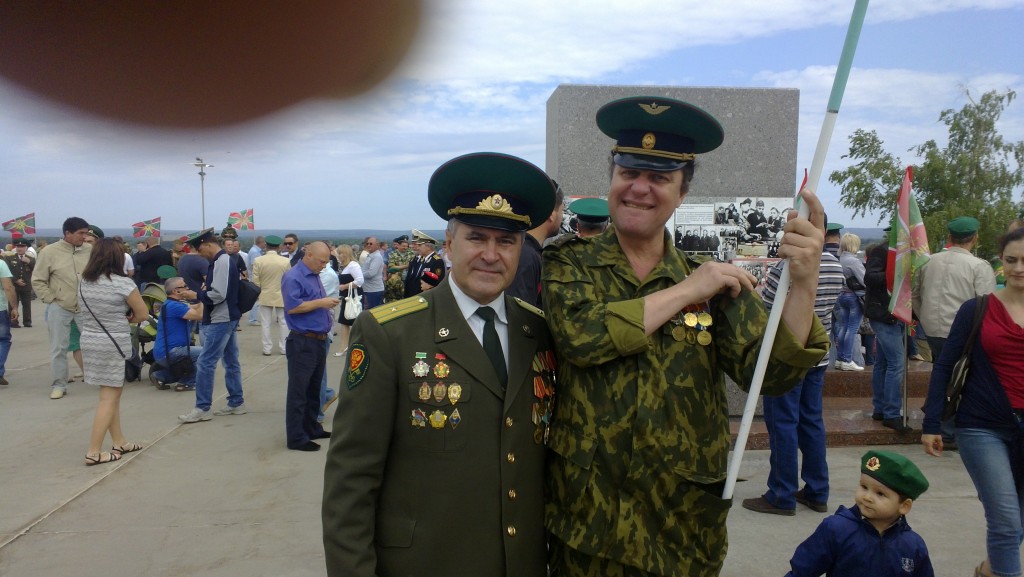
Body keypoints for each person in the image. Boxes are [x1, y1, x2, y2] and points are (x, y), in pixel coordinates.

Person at [541, 95, 829, 576]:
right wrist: (687, 291)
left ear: (682, 194)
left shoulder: (715, 283)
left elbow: (772, 375)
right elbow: (582, 338)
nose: (639, 188)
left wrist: (803, 283)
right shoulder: (568, 261)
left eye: (659, 178)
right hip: (588, 522)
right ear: (611, 180)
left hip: (680, 524)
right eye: (628, 172)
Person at [323, 152, 558, 577]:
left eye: (506, 241)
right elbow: (351, 477)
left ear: (521, 249)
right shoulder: (390, 333)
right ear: (449, 245)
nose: (491, 254)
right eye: (476, 238)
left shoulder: (538, 330)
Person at [922, 226, 1024, 577]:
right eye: (1011, 260)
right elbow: (945, 365)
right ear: (1000, 261)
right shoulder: (976, 309)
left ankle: (990, 569)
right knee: (1006, 521)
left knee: (1017, 521)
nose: (1019, 268)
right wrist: (931, 423)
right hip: (981, 426)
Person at [743, 219, 844, 516]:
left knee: (783, 424)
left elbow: (766, 310)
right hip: (817, 355)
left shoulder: (785, 268)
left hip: (787, 358)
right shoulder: (835, 265)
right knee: (811, 422)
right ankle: (817, 490)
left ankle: (782, 492)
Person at [785, 450, 932, 577]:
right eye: (864, 486)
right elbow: (801, 572)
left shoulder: (913, 545)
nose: (867, 497)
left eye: (880, 493)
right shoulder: (836, 529)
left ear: (904, 506)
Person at [76, 238, 150, 465]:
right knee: (109, 397)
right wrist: (127, 318)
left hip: (90, 340)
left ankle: (119, 441)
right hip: (113, 343)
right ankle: (94, 452)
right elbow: (142, 314)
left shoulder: (84, 282)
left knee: (110, 394)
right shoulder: (123, 284)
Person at [178, 228, 246, 423]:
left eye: (200, 250)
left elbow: (218, 295)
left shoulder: (221, 261)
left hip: (221, 318)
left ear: (208, 245)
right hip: (226, 316)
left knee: (205, 362)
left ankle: (202, 408)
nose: (200, 254)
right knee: (230, 361)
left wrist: (196, 294)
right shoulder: (221, 260)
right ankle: (236, 402)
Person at [913, 216, 996, 364]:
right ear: (975, 238)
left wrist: (925, 318)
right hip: (964, 332)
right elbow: (987, 305)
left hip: (931, 329)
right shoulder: (979, 266)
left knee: (940, 366)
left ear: (949, 237)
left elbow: (914, 295)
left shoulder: (927, 262)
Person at [281, 242, 339, 451]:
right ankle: (296, 437)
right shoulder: (293, 277)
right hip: (303, 341)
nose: (324, 266)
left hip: (318, 340)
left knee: (314, 388)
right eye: (322, 261)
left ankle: (311, 426)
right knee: (299, 391)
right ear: (309, 255)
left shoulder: (314, 274)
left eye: (326, 262)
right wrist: (322, 303)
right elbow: (293, 307)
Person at [32, 216, 92, 399]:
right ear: (67, 233)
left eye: (86, 233)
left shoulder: (90, 250)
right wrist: (51, 299)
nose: (84, 237)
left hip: (86, 307)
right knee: (59, 348)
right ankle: (59, 385)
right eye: (81, 233)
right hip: (60, 307)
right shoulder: (49, 252)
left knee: (94, 344)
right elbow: (38, 280)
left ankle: (100, 378)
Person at [864, 235, 910, 432]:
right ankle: (891, 413)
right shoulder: (882, 251)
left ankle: (881, 409)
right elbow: (869, 278)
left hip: (895, 314)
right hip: (883, 314)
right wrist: (895, 273)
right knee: (896, 364)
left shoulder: (905, 254)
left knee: (883, 363)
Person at [506, 184, 565, 307]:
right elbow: (520, 311)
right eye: (562, 211)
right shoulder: (526, 256)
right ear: (551, 215)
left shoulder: (529, 251)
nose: (562, 217)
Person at [151, 277, 203, 391]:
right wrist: (199, 298)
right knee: (206, 353)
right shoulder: (175, 306)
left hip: (164, 352)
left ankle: (161, 376)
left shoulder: (169, 303)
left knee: (186, 362)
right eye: (184, 286)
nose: (187, 288)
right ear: (176, 291)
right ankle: (186, 383)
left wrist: (201, 298)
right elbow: (200, 315)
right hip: (172, 352)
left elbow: (193, 308)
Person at [251, 235, 290, 356]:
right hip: (281, 295)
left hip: (265, 294)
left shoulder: (258, 261)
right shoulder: (285, 261)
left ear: (266, 246)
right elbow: (289, 280)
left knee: (265, 323)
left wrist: (258, 293)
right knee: (283, 323)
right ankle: (284, 348)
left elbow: (255, 281)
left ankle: (267, 348)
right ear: (278, 247)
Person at [836, 233, 866, 371]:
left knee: (843, 327)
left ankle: (840, 358)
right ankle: (847, 359)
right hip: (854, 297)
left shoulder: (839, 259)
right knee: (852, 329)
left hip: (842, 295)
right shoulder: (854, 261)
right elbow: (865, 280)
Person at [333, 244, 363, 357]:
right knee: (345, 322)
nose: (338, 256)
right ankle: (345, 346)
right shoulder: (347, 266)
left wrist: (344, 287)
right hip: (348, 297)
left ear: (345, 254)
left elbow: (360, 281)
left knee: (351, 322)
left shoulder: (353, 265)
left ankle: (349, 346)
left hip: (353, 298)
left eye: (340, 253)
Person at [402, 230, 445, 298]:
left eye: (420, 245)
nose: (418, 247)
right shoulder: (423, 260)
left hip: (426, 297)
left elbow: (436, 283)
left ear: (428, 247)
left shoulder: (436, 261)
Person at [4, 238, 35, 327]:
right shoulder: (9, 258)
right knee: (13, 304)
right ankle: (13, 321)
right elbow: (7, 271)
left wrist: (29, 262)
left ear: (26, 248)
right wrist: (16, 280)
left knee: (27, 304)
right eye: (18, 246)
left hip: (26, 285)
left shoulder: (31, 258)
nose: (19, 248)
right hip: (14, 285)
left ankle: (27, 321)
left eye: (22, 246)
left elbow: (36, 269)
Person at [0, 257, 15, 386]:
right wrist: (14, 307)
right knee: (3, 340)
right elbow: (8, 287)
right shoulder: (1, 264)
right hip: (0, 309)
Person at [384, 235, 412, 302]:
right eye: (403, 246)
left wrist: (398, 267)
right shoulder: (393, 254)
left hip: (408, 279)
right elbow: (391, 268)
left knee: (407, 298)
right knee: (396, 299)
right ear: (398, 245)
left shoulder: (411, 253)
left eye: (406, 246)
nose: (405, 248)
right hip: (397, 281)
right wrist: (406, 266)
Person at [359, 236, 385, 308]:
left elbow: (371, 273)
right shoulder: (371, 255)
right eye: (367, 243)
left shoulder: (376, 257)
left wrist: (359, 275)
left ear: (377, 245)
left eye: (371, 244)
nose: (368, 245)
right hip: (368, 289)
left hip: (374, 290)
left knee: (373, 311)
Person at [245, 235, 265, 326]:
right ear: (261, 242)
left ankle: (253, 318)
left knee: (256, 299)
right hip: (255, 278)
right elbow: (255, 266)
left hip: (253, 277)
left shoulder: (254, 250)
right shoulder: (255, 252)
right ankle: (253, 319)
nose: (265, 245)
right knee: (256, 299)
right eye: (264, 243)